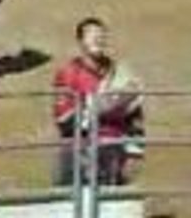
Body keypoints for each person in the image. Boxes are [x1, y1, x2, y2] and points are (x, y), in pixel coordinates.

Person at [53, 18, 145, 187]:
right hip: (80, 151)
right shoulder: (68, 73)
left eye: (101, 36)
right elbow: (64, 121)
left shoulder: (121, 74)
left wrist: (135, 150)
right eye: (91, 35)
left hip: (114, 149)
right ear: (80, 41)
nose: (97, 39)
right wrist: (100, 106)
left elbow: (135, 115)